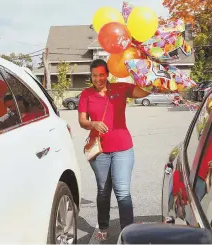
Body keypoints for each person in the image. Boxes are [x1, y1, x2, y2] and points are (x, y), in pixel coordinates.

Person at [78, 59, 150, 240]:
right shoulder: (86, 94)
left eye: (101, 74)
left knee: (122, 190)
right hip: (100, 151)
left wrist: (146, 74)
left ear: (107, 74)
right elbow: (82, 121)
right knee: (103, 190)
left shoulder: (120, 88)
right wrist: (93, 123)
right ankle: (103, 225)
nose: (98, 78)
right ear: (91, 76)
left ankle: (128, 231)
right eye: (94, 75)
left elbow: (143, 91)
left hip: (123, 148)